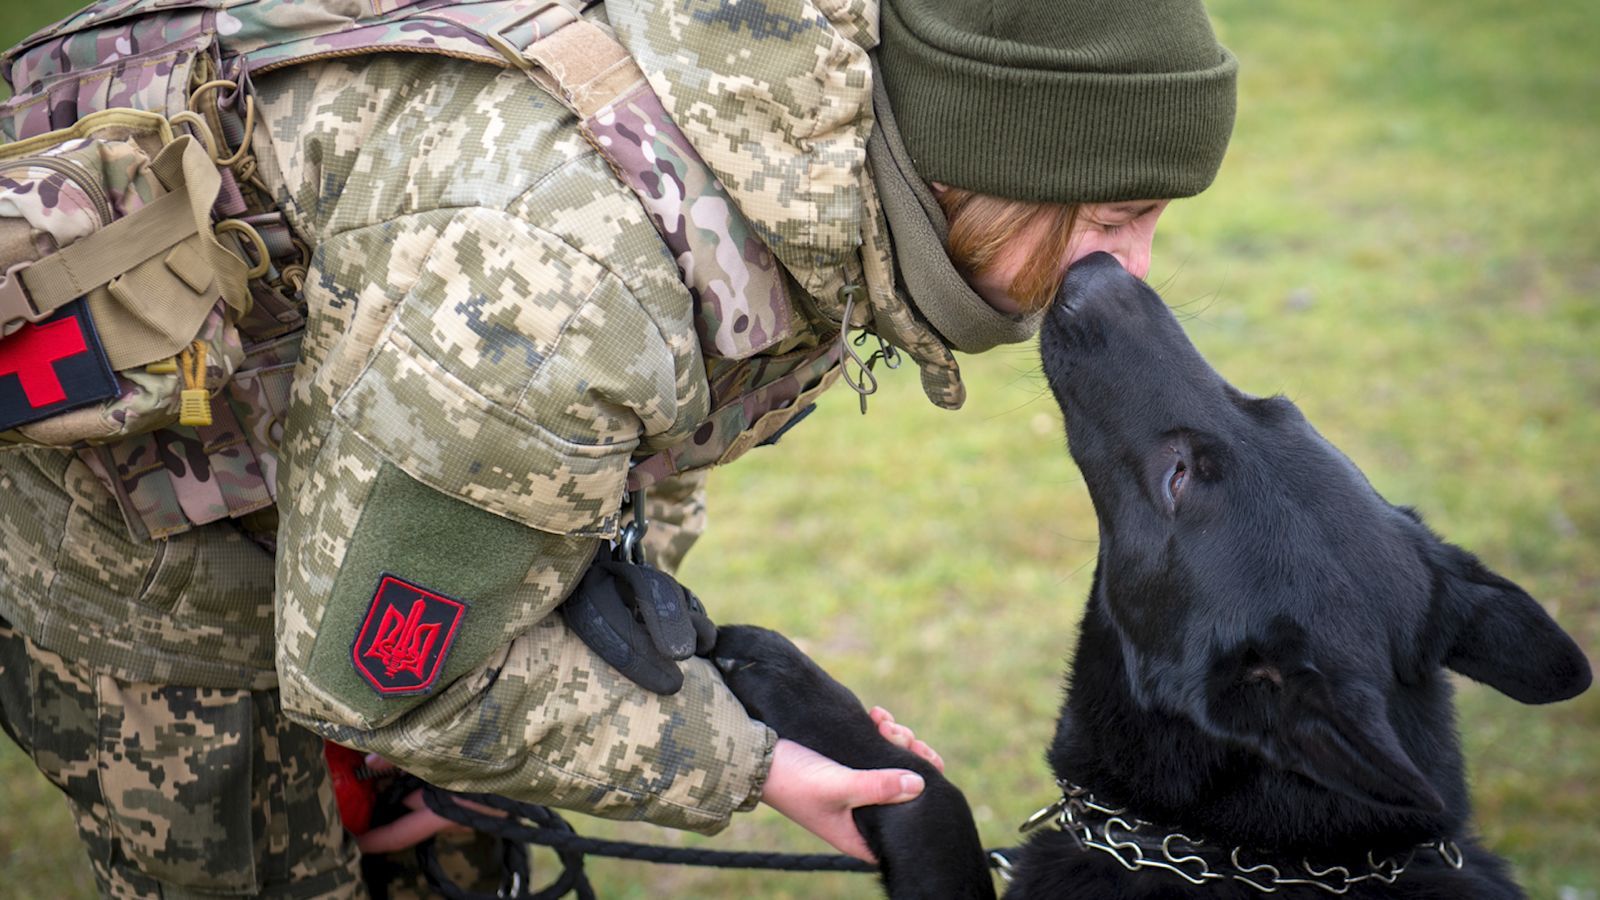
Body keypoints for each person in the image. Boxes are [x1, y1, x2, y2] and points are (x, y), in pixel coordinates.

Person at [0, 0, 1235, 893]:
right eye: (1114, 221)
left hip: (371, 470)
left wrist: (567, 681)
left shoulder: (808, 162)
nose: (1130, 277)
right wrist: (746, 764)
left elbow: (634, 447)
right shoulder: (568, 280)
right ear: (988, 169)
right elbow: (385, 681)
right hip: (151, 557)